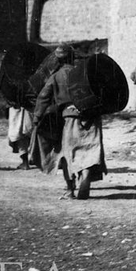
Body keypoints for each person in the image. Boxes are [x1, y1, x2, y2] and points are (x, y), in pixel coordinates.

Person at [33, 46, 106, 199]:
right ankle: (86, 173)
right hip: (91, 115)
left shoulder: (57, 76)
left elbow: (43, 97)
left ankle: (70, 189)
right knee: (90, 148)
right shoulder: (84, 71)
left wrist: (37, 117)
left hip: (70, 117)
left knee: (68, 152)